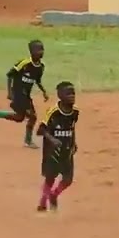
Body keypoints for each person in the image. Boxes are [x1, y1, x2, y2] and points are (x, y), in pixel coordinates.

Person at [0, 40, 47, 148]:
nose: (41, 52)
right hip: (18, 93)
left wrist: (44, 91)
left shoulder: (41, 67)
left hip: (26, 95)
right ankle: (28, 141)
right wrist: (9, 92)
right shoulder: (24, 63)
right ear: (31, 52)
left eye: (42, 49)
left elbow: (37, 80)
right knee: (32, 116)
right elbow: (9, 75)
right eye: (38, 50)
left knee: (19, 117)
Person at [36, 82, 79, 212]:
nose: (72, 96)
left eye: (73, 93)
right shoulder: (53, 112)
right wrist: (53, 140)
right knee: (50, 177)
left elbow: (72, 127)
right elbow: (40, 130)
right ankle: (42, 202)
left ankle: (54, 195)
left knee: (68, 179)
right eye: (68, 94)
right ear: (60, 96)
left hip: (67, 149)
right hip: (52, 151)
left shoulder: (75, 112)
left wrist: (74, 142)